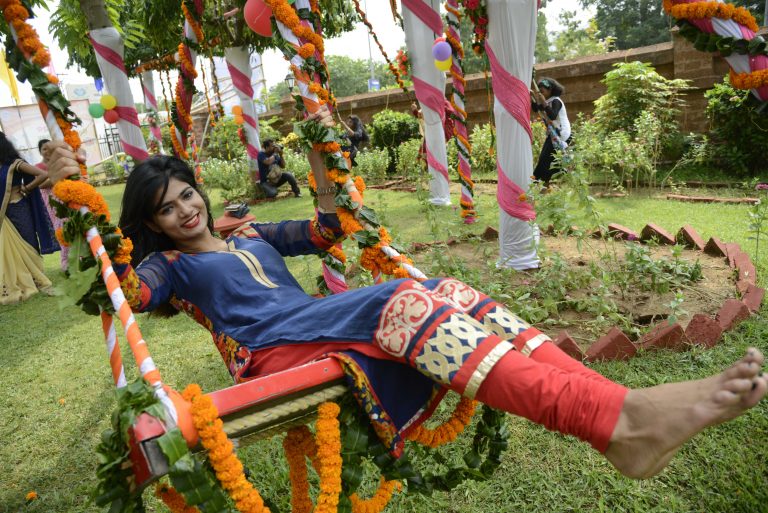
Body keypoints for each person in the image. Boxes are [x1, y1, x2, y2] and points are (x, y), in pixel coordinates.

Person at [45, 115, 766, 480]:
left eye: (186, 195)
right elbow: (127, 289)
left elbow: (330, 229)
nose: (185, 211)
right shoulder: (169, 268)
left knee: (447, 289)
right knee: (405, 299)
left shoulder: (249, 231)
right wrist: (79, 203)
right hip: (274, 351)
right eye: (167, 209)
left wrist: (330, 166)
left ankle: (620, 409)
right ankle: (616, 420)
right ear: (153, 223)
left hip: (314, 321)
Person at [0, 132, 59, 304]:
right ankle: (21, 279)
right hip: (5, 215)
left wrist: (27, 188)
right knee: (11, 249)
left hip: (19, 209)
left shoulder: (15, 164)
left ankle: (37, 278)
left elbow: (42, 175)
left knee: (28, 243)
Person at [36, 139, 68, 271]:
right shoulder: (38, 167)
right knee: (60, 229)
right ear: (40, 151)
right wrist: (56, 176)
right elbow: (40, 184)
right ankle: (66, 263)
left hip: (64, 198)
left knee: (70, 226)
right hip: (51, 201)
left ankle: (78, 258)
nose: (48, 151)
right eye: (44, 149)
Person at [531, 77, 571, 185]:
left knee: (545, 158)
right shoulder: (547, 102)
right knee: (547, 159)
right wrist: (532, 97)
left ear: (551, 90)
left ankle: (536, 182)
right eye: (540, 90)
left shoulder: (556, 101)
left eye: (543, 90)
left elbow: (552, 115)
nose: (541, 91)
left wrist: (543, 102)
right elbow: (536, 109)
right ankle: (544, 184)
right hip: (553, 134)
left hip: (561, 133)